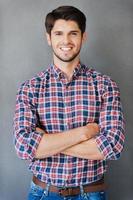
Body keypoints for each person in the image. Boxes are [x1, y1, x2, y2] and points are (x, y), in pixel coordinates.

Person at [13, 5, 125, 200]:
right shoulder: (30, 88)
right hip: (43, 193)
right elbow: (24, 147)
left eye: (73, 33)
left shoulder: (105, 85)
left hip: (91, 194)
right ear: (49, 38)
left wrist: (47, 140)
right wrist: (84, 133)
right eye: (58, 33)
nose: (66, 41)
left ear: (83, 36)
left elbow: (113, 146)